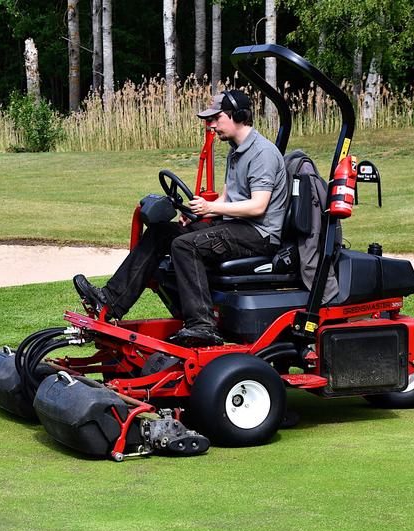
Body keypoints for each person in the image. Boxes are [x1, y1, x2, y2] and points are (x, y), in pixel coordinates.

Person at [74, 89, 288, 347]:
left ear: (237, 116)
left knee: (185, 245)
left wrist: (213, 209)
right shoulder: (236, 151)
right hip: (236, 227)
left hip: (259, 234)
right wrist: (198, 211)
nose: (211, 125)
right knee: (161, 233)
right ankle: (110, 300)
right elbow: (228, 197)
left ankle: (202, 325)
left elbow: (258, 206)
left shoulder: (262, 154)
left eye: (216, 118)